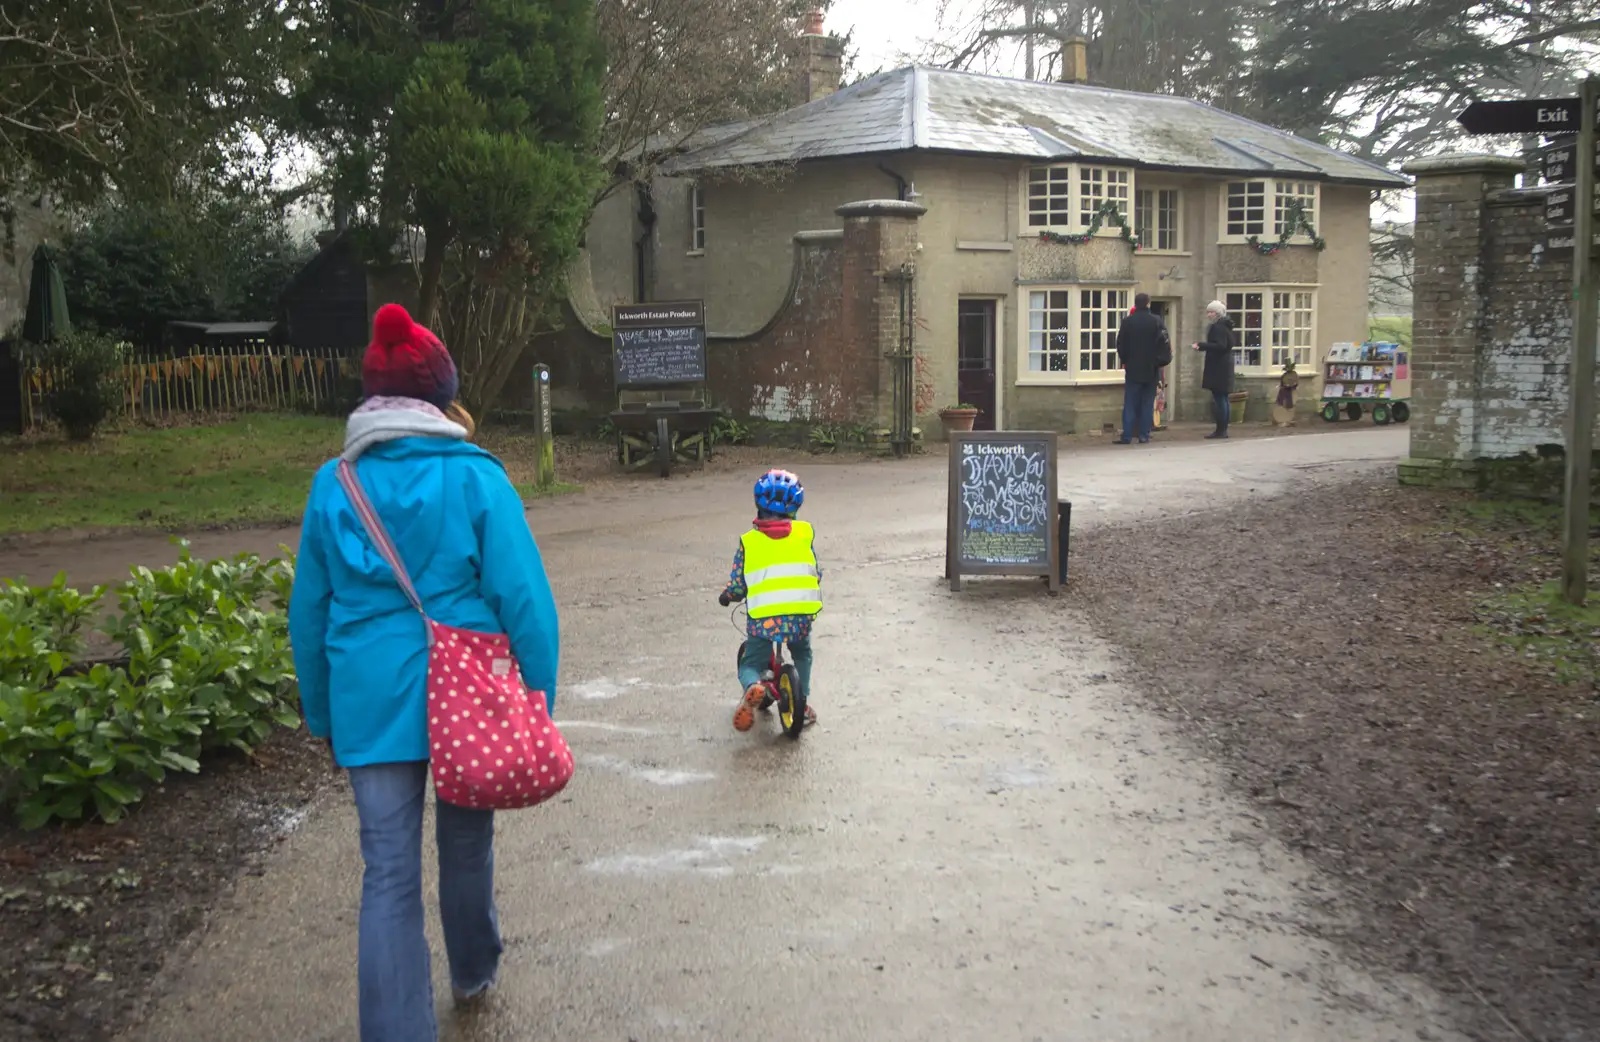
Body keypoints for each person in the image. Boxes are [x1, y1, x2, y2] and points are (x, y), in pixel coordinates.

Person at [289, 303, 560, 1042]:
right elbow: (525, 599)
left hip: (368, 697)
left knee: (387, 873)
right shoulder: (478, 479)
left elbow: (308, 611)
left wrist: (322, 712)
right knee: (467, 843)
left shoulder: (333, 486)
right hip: (468, 691)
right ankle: (474, 968)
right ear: (442, 396)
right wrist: (538, 695)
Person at [718, 469, 822, 731]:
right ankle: (803, 702)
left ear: (758, 507)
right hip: (800, 615)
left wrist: (729, 595)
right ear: (795, 510)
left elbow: (739, 585)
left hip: (764, 619)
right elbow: (814, 572)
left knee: (751, 662)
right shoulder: (805, 534)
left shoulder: (750, 542)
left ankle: (754, 686)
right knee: (802, 652)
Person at [1115, 293, 1170, 444]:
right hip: (1151, 368)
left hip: (1133, 368)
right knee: (1147, 403)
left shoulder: (1128, 322)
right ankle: (1144, 435)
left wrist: (1126, 360)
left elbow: (1120, 344)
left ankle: (1127, 436)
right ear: (1148, 304)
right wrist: (1160, 361)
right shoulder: (1156, 321)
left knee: (1130, 403)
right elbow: (1164, 343)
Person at [1195, 300, 1237, 440]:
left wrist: (1201, 345)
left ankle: (1221, 430)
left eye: (1211, 312)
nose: (1209, 315)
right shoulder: (1226, 327)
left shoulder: (1218, 328)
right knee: (1223, 398)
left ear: (1218, 313)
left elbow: (1220, 346)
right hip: (1225, 365)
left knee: (1220, 399)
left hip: (1218, 367)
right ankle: (1222, 429)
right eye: (1208, 312)